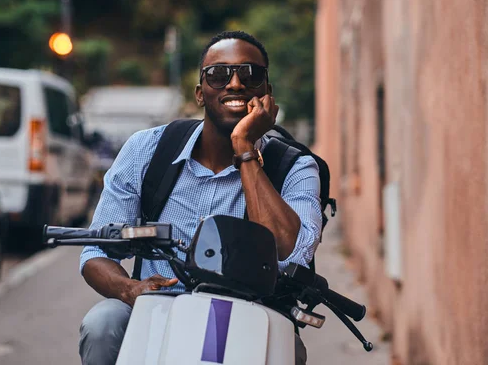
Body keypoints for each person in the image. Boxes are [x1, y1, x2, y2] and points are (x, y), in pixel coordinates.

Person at [78, 30, 322, 365]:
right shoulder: (146, 150)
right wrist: (129, 290)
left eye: (250, 74)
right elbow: (95, 251)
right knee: (102, 322)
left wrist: (245, 149)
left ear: (266, 93)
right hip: (156, 309)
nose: (235, 84)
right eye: (219, 74)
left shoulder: (294, 167)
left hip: (251, 316)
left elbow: (293, 251)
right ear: (200, 93)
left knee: (289, 350)